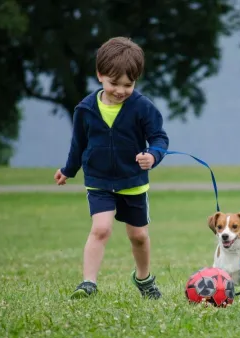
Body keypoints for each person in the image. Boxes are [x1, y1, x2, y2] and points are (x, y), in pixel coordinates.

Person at [54, 36, 169, 300]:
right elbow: (78, 143)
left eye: (128, 85)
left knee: (138, 236)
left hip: (133, 180)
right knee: (101, 229)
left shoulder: (142, 107)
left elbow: (160, 139)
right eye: (113, 83)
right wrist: (68, 170)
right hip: (99, 180)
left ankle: (144, 279)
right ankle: (88, 283)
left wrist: (152, 156)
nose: (120, 90)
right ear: (100, 75)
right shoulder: (85, 109)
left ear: (136, 81)